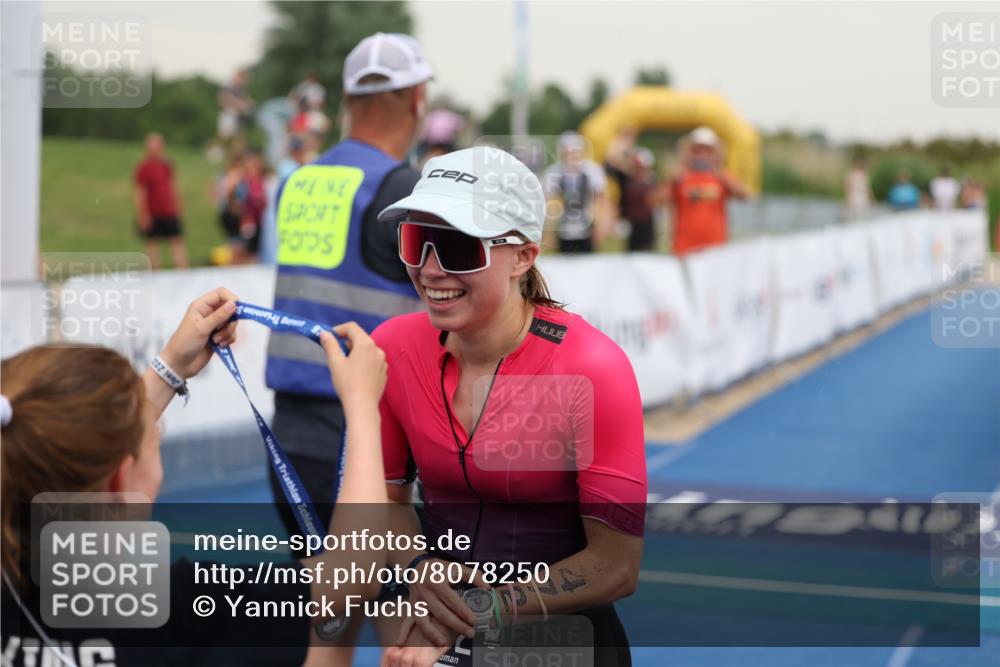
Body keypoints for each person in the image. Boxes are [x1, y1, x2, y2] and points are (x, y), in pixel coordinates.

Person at [1, 288, 392, 667]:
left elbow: (78, 440)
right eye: (156, 438)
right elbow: (351, 572)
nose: (156, 430)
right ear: (121, 483)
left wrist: (171, 365)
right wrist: (361, 404)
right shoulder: (181, 607)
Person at [372, 147, 647, 667]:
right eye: (415, 240)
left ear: (523, 256)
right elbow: (385, 501)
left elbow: (617, 566)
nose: (430, 269)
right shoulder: (393, 348)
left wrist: (486, 608)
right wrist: (418, 565)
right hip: (442, 634)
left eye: (457, 247)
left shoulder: (591, 367)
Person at [263, 31, 432, 659]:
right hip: (366, 446)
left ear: (345, 100)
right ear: (416, 99)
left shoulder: (298, 183)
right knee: (413, 636)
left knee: (331, 628)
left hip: (292, 442)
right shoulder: (403, 190)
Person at [665, 126, 749, 255]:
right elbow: (655, 200)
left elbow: (745, 196)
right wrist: (675, 177)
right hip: (685, 248)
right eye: (697, 150)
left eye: (707, 151)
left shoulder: (722, 177)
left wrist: (721, 172)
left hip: (715, 249)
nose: (702, 155)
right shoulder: (680, 177)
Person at [543, 131, 609, 253]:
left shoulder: (593, 171)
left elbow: (601, 201)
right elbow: (549, 204)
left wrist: (602, 225)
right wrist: (549, 231)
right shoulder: (554, 173)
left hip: (587, 227)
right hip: (564, 228)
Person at [134, 133, 189, 269]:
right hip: (153, 212)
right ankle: (155, 274)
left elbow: (172, 185)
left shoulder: (167, 165)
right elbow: (140, 192)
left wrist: (178, 202)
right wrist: (143, 214)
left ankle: (182, 273)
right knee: (152, 244)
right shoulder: (144, 167)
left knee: (177, 241)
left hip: (169, 210)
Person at [605, 147, 658, 251]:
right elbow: (608, 166)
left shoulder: (652, 182)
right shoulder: (625, 179)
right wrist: (625, 154)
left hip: (646, 225)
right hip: (630, 224)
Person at [844, 155, 873, 221]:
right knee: (853, 214)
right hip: (854, 196)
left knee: (864, 214)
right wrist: (848, 198)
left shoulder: (864, 174)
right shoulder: (851, 173)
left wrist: (871, 198)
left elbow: (867, 187)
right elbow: (848, 187)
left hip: (863, 196)